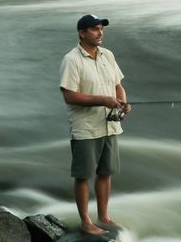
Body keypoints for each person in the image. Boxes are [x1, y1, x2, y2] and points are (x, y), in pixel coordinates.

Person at [59, 14, 132, 236]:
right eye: (94, 29)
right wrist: (103, 100)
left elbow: (118, 85)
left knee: (105, 172)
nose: (100, 33)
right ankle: (86, 222)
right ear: (82, 33)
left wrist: (122, 103)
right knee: (83, 175)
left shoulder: (107, 55)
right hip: (86, 127)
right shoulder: (71, 60)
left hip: (109, 124)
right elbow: (69, 96)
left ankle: (104, 217)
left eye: (101, 29)